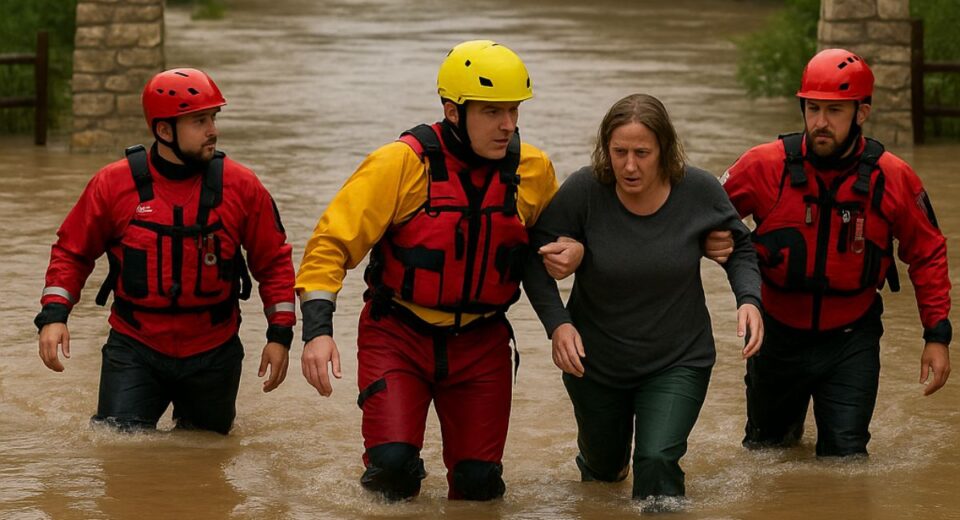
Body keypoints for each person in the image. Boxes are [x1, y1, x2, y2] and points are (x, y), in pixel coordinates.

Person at [296, 40, 580, 501]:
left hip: (482, 342)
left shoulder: (533, 170)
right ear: (453, 111)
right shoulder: (400, 163)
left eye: (513, 110)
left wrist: (573, 255)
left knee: (479, 487)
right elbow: (330, 245)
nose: (508, 125)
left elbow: (555, 246)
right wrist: (317, 331)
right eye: (492, 112)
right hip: (399, 334)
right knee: (392, 472)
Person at [522, 93, 764, 508]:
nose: (629, 165)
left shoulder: (698, 190)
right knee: (602, 474)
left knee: (656, 460)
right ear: (606, 151)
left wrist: (748, 299)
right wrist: (558, 324)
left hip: (677, 359)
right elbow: (532, 256)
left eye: (642, 153)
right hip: (595, 362)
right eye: (619, 152)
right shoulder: (585, 190)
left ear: (664, 151)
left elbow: (739, 247)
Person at [716, 48, 952, 457]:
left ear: (861, 113)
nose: (820, 123)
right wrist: (710, 240)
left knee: (846, 461)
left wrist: (937, 335)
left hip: (851, 338)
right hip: (776, 337)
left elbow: (928, 252)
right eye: (812, 108)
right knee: (766, 457)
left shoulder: (893, 177)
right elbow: (699, 219)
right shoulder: (762, 166)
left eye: (835, 111)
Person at [35, 68, 296, 435]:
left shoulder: (242, 186)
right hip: (135, 348)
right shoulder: (112, 184)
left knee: (206, 466)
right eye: (199, 120)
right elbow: (72, 252)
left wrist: (279, 336)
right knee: (118, 453)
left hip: (214, 353)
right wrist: (54, 317)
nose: (213, 130)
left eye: (213, 118)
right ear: (164, 130)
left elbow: (273, 263)